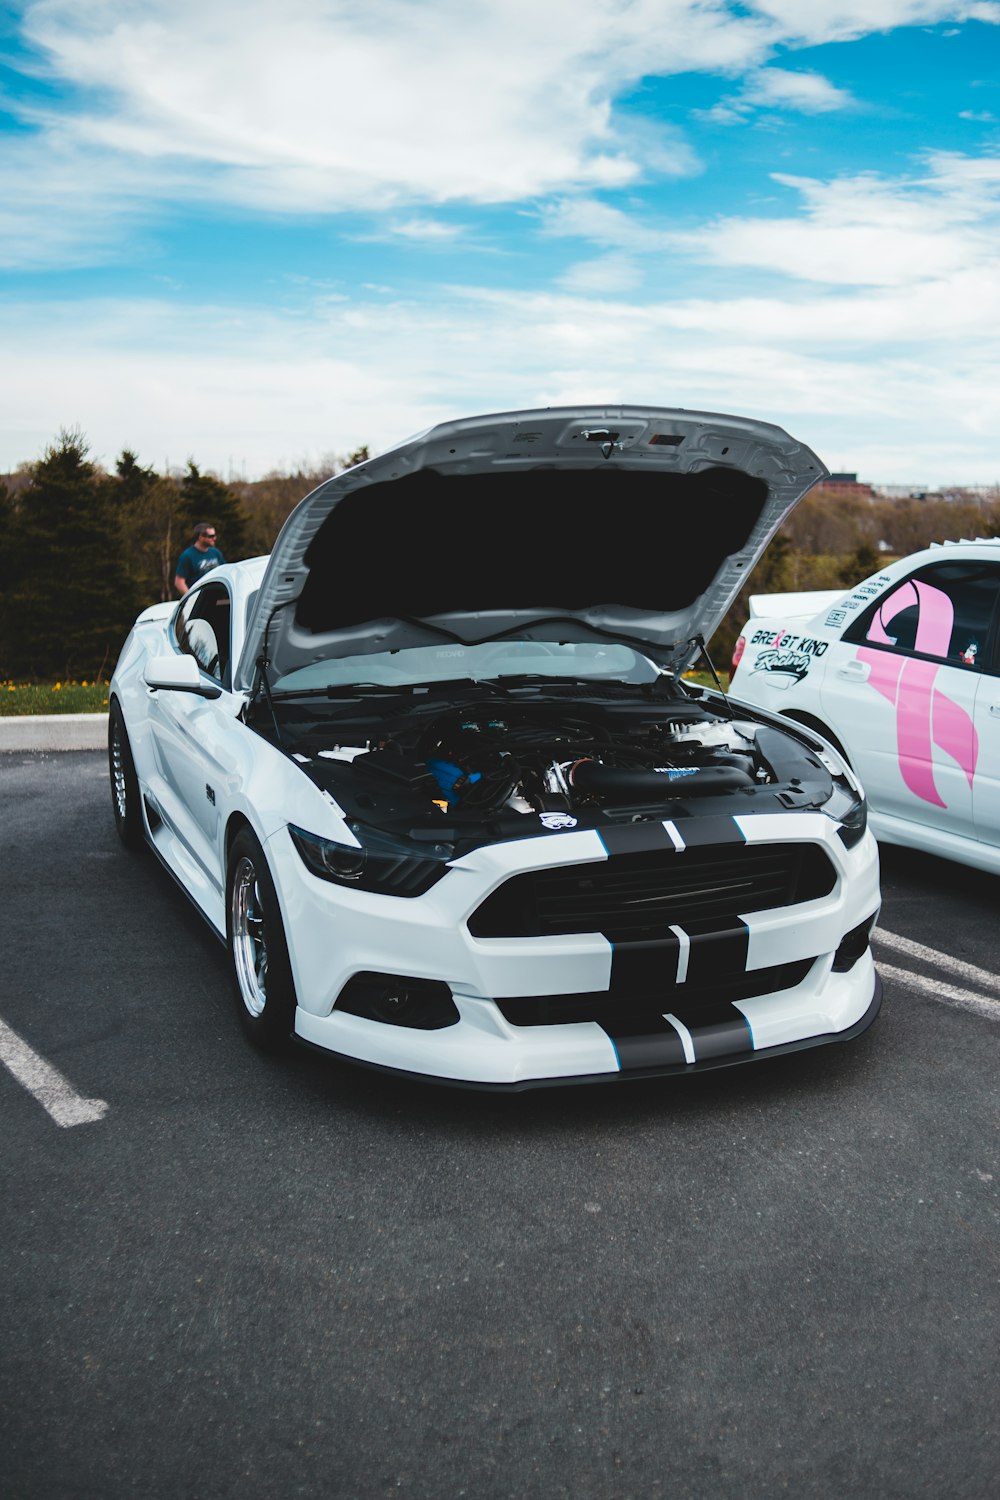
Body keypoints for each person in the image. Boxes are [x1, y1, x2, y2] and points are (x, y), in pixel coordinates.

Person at [174, 523, 225, 595]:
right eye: (211, 536)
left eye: (215, 535)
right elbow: (179, 582)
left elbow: (224, 571)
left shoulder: (216, 552)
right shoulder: (187, 556)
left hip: (218, 595)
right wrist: (191, 599)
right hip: (201, 599)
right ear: (201, 537)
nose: (214, 538)